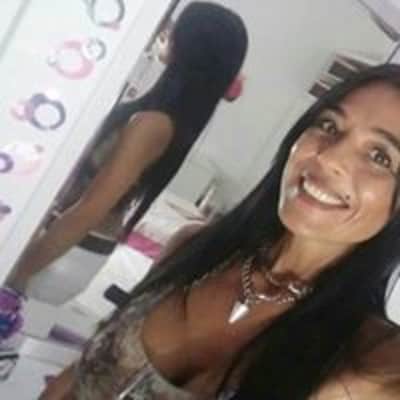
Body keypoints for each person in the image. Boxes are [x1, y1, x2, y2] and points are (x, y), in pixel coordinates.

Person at [40, 63, 400, 400]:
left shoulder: (374, 363)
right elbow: (78, 373)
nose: (328, 158)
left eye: (380, 156)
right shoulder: (194, 247)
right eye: (329, 125)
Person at [7, 2, 248, 301]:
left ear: (189, 47)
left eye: (175, 29)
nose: (166, 33)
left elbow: (90, 210)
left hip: (66, 248)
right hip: (71, 243)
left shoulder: (152, 123)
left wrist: (16, 269)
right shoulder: (167, 117)